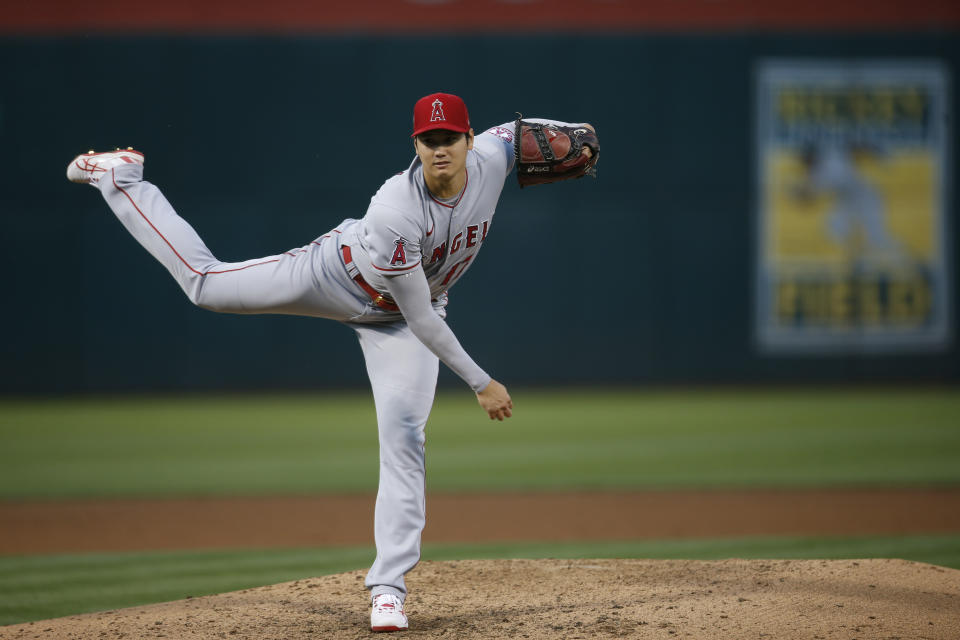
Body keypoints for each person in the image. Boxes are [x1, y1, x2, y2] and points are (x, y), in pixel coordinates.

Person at [66, 92, 595, 632]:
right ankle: (121, 179)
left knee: (406, 436)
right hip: (338, 278)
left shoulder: (494, 155)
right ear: (415, 144)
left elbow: (523, 130)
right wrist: (482, 382)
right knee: (206, 286)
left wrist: (581, 129)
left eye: (450, 139)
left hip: (408, 316)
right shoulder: (395, 208)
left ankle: (388, 590)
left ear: (468, 139)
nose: (440, 150)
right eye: (429, 140)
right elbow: (421, 319)